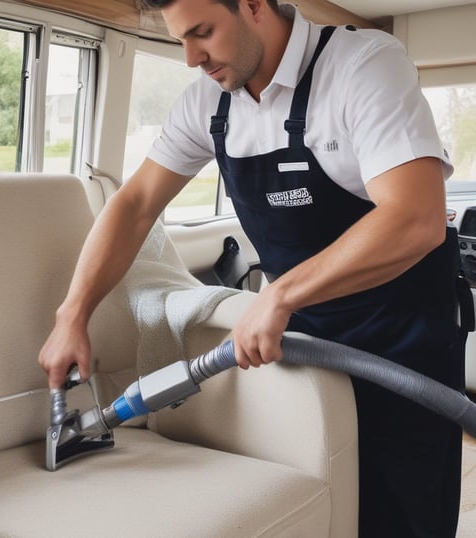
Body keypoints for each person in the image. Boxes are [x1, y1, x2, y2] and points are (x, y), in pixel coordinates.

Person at [38, 0, 468, 535]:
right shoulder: (207, 104)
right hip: (305, 349)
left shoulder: (363, 65)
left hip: (402, 342)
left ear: (254, 5)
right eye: (180, 42)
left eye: (203, 33)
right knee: (324, 507)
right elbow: (134, 205)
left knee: (402, 516)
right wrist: (72, 314)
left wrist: (279, 295)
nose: (193, 57)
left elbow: (415, 217)